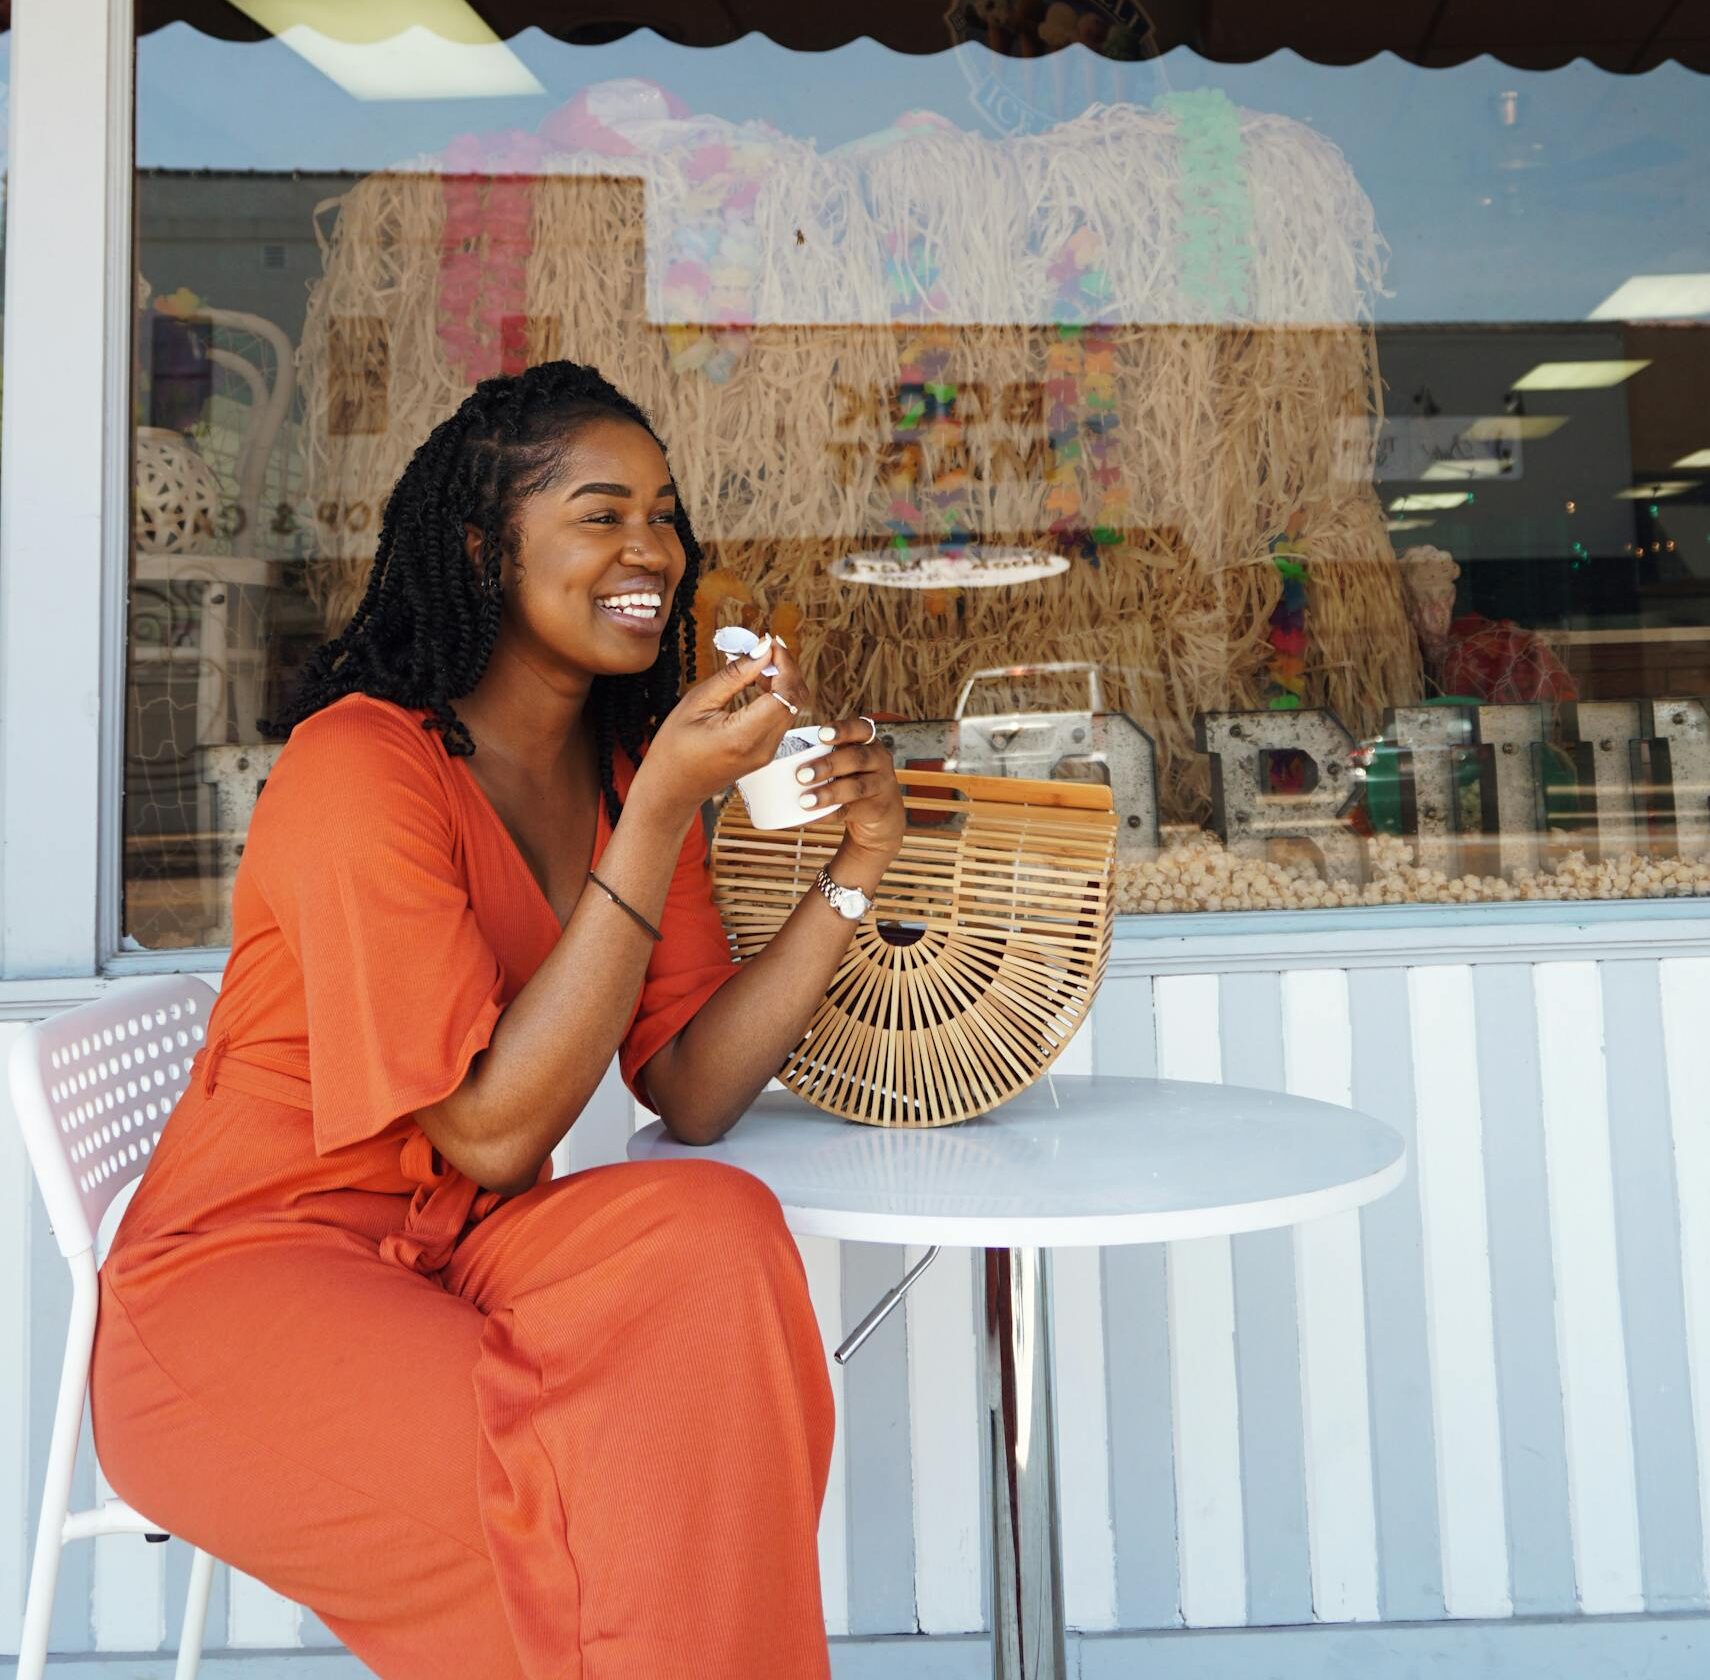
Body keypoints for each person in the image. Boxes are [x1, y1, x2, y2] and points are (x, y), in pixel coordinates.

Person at [90, 360, 906, 1679]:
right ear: (483, 548)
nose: (650, 547)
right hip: (247, 1290)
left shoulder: (624, 767)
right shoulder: (358, 765)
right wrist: (654, 823)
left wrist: (851, 872)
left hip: (469, 1259)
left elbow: (689, 1089)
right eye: (599, 513)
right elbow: (480, 1128)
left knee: (716, 1230)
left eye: (664, 512)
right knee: (591, 1502)